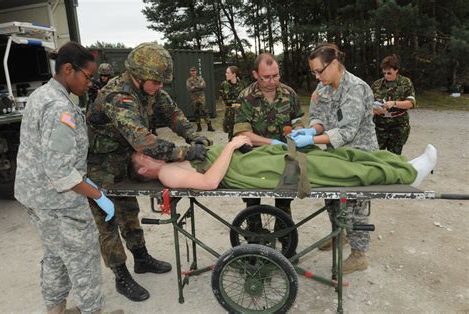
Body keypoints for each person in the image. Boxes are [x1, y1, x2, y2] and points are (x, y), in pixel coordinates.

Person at [86, 42, 212, 302]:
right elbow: (143, 141)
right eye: (156, 82)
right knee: (108, 220)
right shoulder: (117, 95)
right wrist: (185, 152)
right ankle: (121, 275)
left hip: (125, 161)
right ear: (137, 75)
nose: (160, 87)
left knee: (129, 211)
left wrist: (193, 136)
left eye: (162, 82)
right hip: (101, 167)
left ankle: (141, 258)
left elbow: (173, 114)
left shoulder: (151, 89)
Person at [14, 42, 116, 313]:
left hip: (34, 195)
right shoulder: (61, 108)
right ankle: (91, 310)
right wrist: (97, 195)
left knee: (55, 254)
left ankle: (55, 309)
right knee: (83, 257)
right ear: (69, 69)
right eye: (88, 76)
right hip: (58, 202)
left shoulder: (41, 94)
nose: (90, 82)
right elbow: (60, 173)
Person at [290, 43, 378, 274]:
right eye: (314, 72)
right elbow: (318, 117)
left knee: (355, 206)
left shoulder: (355, 89)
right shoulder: (322, 89)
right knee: (331, 199)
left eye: (320, 70)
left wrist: (311, 141)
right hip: (335, 155)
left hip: (360, 156)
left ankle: (359, 255)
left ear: (335, 63)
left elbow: (347, 131)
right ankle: (339, 235)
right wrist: (312, 130)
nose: (317, 76)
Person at [130, 138, 437, 191]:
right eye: (142, 155)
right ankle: (409, 174)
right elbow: (210, 181)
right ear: (145, 170)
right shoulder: (168, 172)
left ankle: (401, 163)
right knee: (330, 170)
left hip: (246, 160)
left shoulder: (173, 158)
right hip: (243, 170)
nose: (148, 150)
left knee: (331, 155)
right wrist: (233, 146)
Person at [233, 53, 304, 221]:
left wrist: (299, 130)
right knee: (253, 203)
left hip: (284, 156)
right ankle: (254, 239)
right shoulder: (245, 97)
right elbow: (242, 133)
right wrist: (272, 142)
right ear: (255, 74)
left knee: (284, 202)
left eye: (276, 75)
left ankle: (286, 238)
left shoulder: (289, 93)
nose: (272, 81)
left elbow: (297, 119)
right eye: (266, 77)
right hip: (255, 157)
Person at [371, 54, 417, 155]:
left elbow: (411, 103)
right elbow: (368, 104)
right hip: (379, 126)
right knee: (376, 156)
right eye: (384, 73)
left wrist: (394, 103)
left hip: (398, 126)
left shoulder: (405, 83)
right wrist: (375, 110)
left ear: (396, 70)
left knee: (394, 157)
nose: (386, 76)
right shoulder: (376, 85)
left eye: (389, 73)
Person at [219, 66, 247, 140]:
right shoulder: (224, 84)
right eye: (226, 73)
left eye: (228, 73)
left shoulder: (242, 84)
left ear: (234, 74)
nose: (226, 74)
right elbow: (222, 98)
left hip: (240, 113)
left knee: (240, 133)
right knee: (229, 133)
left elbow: (245, 99)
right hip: (229, 113)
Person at [186, 66, 215, 132]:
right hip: (194, 99)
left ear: (196, 72)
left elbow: (203, 86)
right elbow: (189, 88)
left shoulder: (200, 78)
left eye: (194, 71)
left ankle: (209, 127)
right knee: (196, 113)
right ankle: (199, 127)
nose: (193, 72)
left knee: (205, 112)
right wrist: (198, 86)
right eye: (192, 71)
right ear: (190, 72)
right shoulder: (188, 80)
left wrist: (195, 87)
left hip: (201, 98)